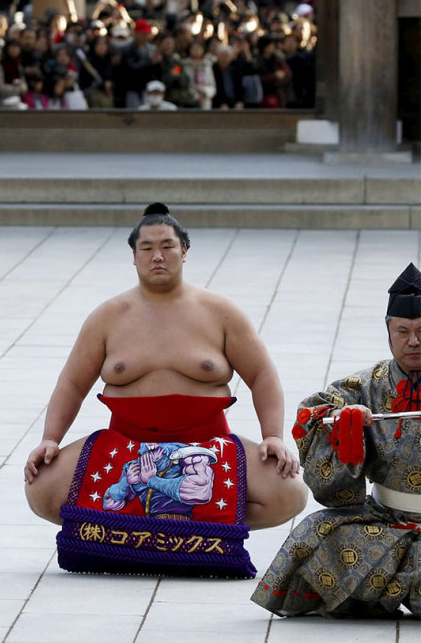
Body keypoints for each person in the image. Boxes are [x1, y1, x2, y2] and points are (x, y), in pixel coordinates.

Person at [24, 203, 307, 573]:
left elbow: (262, 376)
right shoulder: (108, 316)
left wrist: (272, 436)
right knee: (41, 489)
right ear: (134, 256)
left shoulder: (220, 311)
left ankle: (187, 530)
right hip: (124, 445)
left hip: (205, 449)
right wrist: (50, 439)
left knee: (289, 492)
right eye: (147, 248)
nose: (158, 256)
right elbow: (73, 384)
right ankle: (165, 530)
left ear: (185, 252)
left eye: (168, 246)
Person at [252, 264, 421, 617]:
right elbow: (312, 415)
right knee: (319, 532)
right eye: (402, 331)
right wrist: (346, 424)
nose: (413, 341)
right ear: (388, 334)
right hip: (387, 519)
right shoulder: (366, 385)